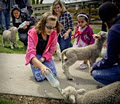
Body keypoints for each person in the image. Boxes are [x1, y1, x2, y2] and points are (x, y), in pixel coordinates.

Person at [25, 12, 61, 82]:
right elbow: (31, 53)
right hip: (35, 56)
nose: (51, 30)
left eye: (53, 27)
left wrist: (42, 59)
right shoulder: (33, 33)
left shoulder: (54, 34)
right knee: (40, 77)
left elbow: (51, 50)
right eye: (49, 27)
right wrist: (41, 66)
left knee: (53, 75)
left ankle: (40, 65)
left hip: (44, 55)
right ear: (42, 24)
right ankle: (36, 67)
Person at [90, 2, 120, 85]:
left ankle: (116, 88)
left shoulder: (114, 30)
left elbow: (111, 59)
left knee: (96, 73)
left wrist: (95, 65)